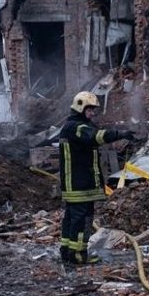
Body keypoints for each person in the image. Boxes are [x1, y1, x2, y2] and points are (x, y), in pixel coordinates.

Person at [59, 91, 135, 265]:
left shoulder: (71, 126)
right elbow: (96, 137)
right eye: (90, 109)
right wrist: (120, 134)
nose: (92, 113)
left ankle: (67, 252)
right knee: (82, 221)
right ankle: (78, 256)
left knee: (70, 219)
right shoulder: (77, 128)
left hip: (75, 185)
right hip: (80, 186)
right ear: (80, 107)